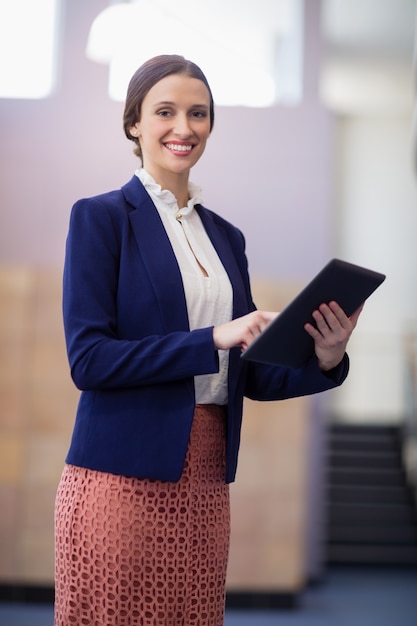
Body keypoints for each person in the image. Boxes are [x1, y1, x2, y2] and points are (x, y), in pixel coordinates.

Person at [54, 54, 362, 626]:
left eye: (198, 114)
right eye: (165, 112)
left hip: (204, 476)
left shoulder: (226, 236)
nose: (184, 127)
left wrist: (325, 357)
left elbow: (247, 372)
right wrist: (212, 336)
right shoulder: (100, 218)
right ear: (134, 124)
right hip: (120, 479)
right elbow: (90, 361)